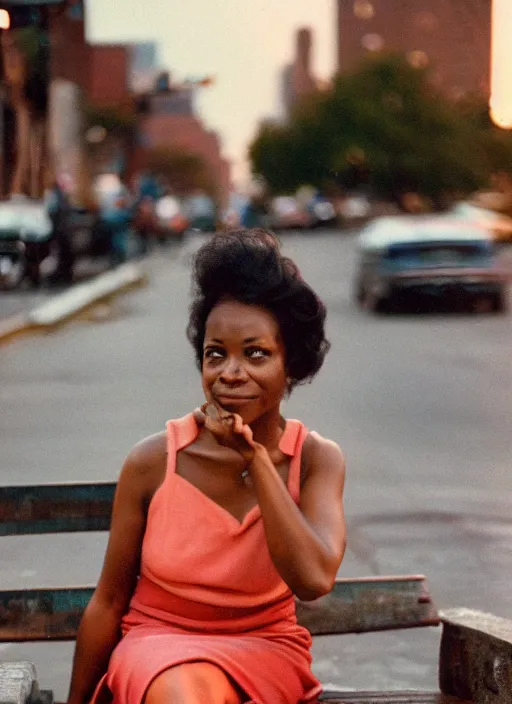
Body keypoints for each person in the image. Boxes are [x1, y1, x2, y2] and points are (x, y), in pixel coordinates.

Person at [66, 229, 347, 704]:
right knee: (182, 692)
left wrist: (255, 460)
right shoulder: (153, 461)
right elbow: (109, 601)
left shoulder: (317, 459)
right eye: (216, 354)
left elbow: (313, 579)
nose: (230, 373)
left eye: (255, 353)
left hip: (265, 650)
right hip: (158, 646)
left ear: (291, 364)